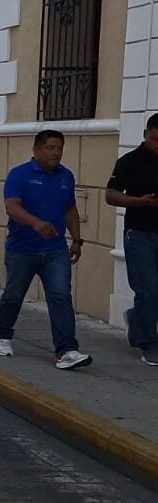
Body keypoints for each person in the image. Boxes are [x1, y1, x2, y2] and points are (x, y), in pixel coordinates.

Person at [0, 130, 91, 370]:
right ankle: (2, 335)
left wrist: (77, 240)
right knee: (14, 294)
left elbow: (70, 210)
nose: (56, 153)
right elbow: (11, 207)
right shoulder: (19, 175)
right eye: (50, 148)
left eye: (59, 148)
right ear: (36, 150)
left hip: (55, 250)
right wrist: (36, 223)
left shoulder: (66, 176)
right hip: (22, 249)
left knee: (60, 296)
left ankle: (67, 350)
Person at [106, 114, 158, 366]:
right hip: (139, 233)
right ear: (146, 133)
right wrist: (139, 202)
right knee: (148, 289)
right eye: (156, 139)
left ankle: (137, 319)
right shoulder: (130, 161)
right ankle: (148, 342)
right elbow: (111, 195)